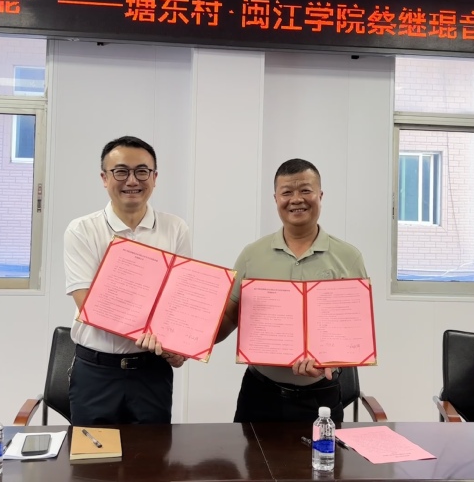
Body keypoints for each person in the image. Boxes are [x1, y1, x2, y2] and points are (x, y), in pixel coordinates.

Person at [216, 158, 368, 424]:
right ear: (276, 198)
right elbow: (229, 315)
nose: (296, 199)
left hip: (321, 398)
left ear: (320, 195)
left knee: (323, 454)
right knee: (250, 454)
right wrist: (190, 340)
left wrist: (329, 360)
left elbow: (355, 331)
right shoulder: (252, 255)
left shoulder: (348, 257)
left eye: (305, 190)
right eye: (287, 192)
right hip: (259, 393)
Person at [64, 135, 191, 425]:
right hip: (97, 372)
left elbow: (180, 299)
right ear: (104, 178)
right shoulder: (82, 230)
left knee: (152, 452)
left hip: (152, 372)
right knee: (93, 454)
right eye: (121, 171)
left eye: (142, 171)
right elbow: (89, 304)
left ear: (155, 177)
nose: (132, 180)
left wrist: (178, 346)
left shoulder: (175, 228)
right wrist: (157, 333)